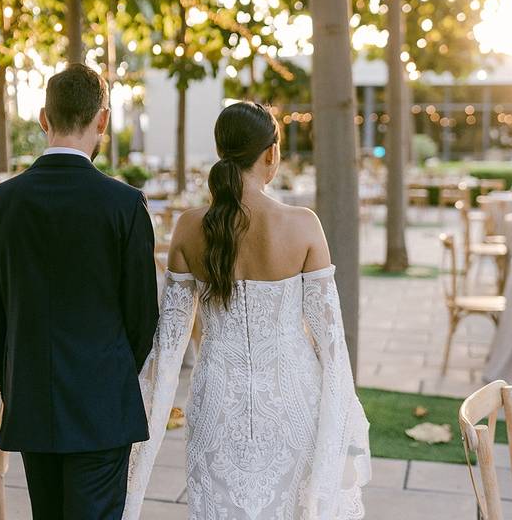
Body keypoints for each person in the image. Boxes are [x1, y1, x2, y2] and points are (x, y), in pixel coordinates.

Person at [124, 102, 371, 519]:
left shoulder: (188, 227)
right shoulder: (303, 224)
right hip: (294, 400)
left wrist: (138, 453)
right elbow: (333, 347)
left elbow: (167, 351)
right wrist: (336, 435)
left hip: (216, 401)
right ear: (271, 154)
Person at [0, 63, 159, 519]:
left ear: (43, 119)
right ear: (103, 120)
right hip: (101, 405)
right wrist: (108, 375)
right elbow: (142, 317)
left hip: (32, 399)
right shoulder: (124, 205)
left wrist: (19, 382)